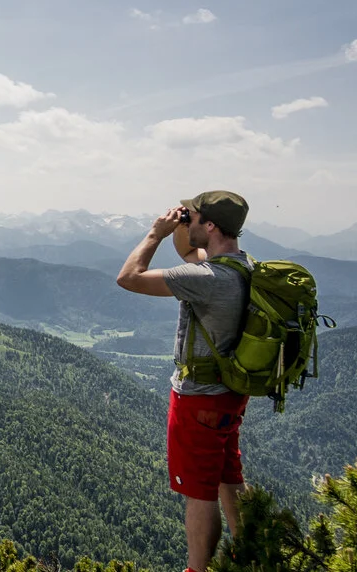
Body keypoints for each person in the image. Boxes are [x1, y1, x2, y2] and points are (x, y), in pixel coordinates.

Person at [116, 190, 253, 572]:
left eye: (194, 219)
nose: (187, 224)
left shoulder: (207, 279)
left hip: (198, 399)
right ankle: (251, 551)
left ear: (210, 225)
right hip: (230, 392)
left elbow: (129, 277)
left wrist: (155, 233)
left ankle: (196, 568)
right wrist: (184, 222)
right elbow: (190, 253)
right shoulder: (244, 267)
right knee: (228, 475)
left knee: (199, 491)